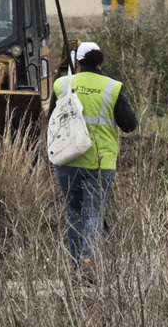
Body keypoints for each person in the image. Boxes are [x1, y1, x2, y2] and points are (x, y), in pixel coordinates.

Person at [51, 39, 139, 260]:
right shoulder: (112, 87)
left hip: (67, 159)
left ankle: (75, 265)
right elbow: (129, 125)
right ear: (101, 61)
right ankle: (88, 261)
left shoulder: (62, 85)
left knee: (73, 214)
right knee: (93, 215)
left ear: (78, 62)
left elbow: (51, 121)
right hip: (100, 163)